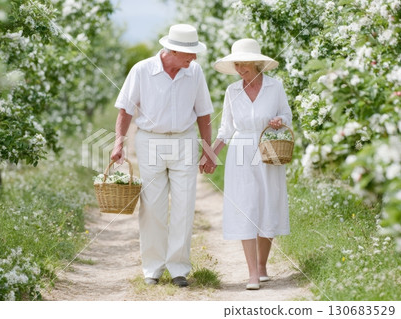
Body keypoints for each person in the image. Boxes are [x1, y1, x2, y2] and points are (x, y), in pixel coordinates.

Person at [111, 24, 215, 287]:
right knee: (152, 208)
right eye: (189, 54)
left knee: (184, 206)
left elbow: (203, 113)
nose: (194, 58)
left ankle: (178, 268)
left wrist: (208, 150)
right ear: (173, 50)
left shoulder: (195, 72)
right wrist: (118, 144)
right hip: (150, 141)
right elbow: (125, 111)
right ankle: (153, 269)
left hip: (184, 140)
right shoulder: (142, 70)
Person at [204, 38, 292, 290]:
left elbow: (287, 115)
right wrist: (211, 154)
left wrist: (278, 120)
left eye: (244, 64)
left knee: (267, 204)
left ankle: (263, 266)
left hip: (268, 148)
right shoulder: (232, 91)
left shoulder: (275, 87)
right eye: (237, 65)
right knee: (245, 206)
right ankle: (252, 273)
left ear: (256, 63)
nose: (240, 69)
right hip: (240, 150)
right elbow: (226, 128)